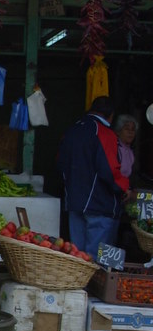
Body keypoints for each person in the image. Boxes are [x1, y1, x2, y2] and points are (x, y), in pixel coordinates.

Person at [56, 95, 128, 261]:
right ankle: (96, 287)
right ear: (111, 115)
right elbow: (110, 171)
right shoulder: (104, 132)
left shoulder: (71, 131)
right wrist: (124, 187)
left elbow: (60, 164)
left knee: (78, 258)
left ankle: (79, 287)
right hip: (99, 205)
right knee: (97, 261)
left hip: (74, 202)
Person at [114, 113, 138, 186]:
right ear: (118, 131)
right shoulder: (114, 148)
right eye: (127, 129)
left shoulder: (131, 152)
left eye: (133, 129)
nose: (130, 132)